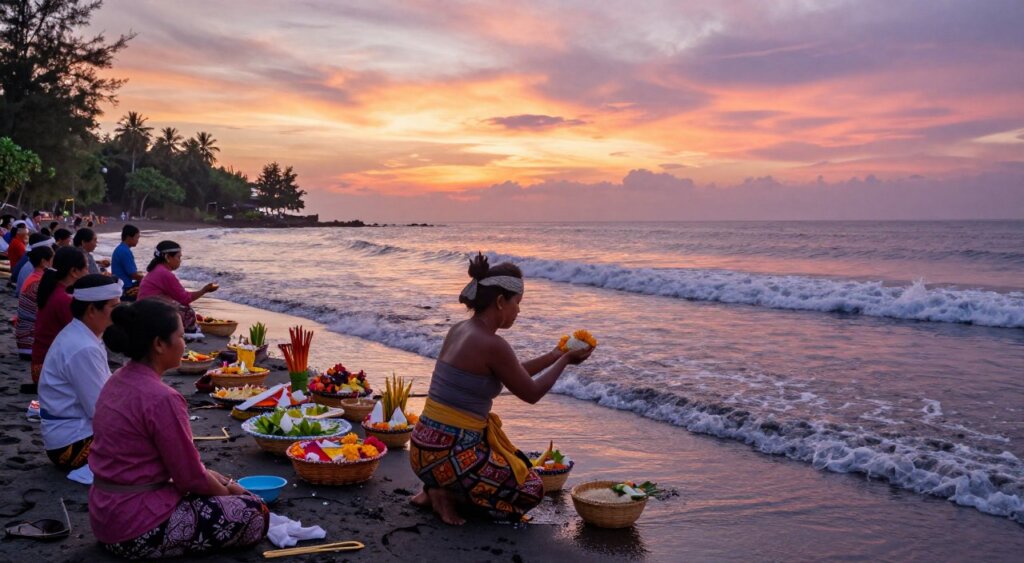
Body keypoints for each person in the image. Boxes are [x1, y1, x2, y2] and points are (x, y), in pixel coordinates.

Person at [409, 254, 594, 525]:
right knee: (532, 489)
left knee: (515, 468)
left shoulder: (460, 329)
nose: (518, 311)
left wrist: (555, 354)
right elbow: (531, 393)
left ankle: (435, 487)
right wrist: (566, 360)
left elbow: (513, 373)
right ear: (499, 302)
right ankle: (445, 495)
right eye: (517, 303)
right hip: (449, 456)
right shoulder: (493, 344)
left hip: (421, 451)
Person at [90, 299, 269, 558]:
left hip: (105, 515)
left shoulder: (116, 380)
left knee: (217, 478)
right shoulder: (163, 398)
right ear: (159, 344)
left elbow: (185, 468)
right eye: (180, 337)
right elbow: (190, 478)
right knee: (255, 512)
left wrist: (224, 482)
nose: (185, 344)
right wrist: (227, 496)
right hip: (137, 527)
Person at [37, 275, 120, 470]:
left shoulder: (83, 334)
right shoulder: (83, 347)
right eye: (114, 307)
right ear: (92, 309)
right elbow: (100, 411)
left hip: (69, 434)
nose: (118, 314)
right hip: (71, 443)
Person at [31, 247, 88, 383]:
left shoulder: (55, 290)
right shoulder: (64, 299)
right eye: (86, 268)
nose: (88, 272)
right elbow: (82, 334)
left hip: (40, 362)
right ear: (74, 271)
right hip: (46, 367)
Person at [137, 240, 218, 334]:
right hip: (148, 312)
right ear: (167, 257)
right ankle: (185, 334)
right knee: (188, 312)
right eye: (178, 257)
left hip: (143, 309)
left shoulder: (158, 269)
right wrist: (204, 290)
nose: (180, 260)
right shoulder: (164, 273)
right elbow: (185, 298)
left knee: (183, 308)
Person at [15, 245, 54, 359]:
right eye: (52, 259)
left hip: (25, 340)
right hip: (31, 344)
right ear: (44, 262)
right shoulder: (39, 283)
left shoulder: (33, 278)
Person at [111, 224, 144, 298]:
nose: (137, 241)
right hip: (124, 288)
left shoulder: (121, 248)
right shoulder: (124, 251)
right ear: (129, 237)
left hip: (120, 285)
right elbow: (133, 274)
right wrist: (148, 279)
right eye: (137, 238)